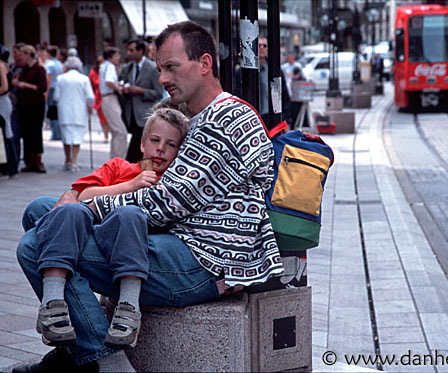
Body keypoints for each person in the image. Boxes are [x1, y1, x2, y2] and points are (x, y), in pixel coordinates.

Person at [15, 21, 283, 372]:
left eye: (171, 67)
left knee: (36, 243)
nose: (162, 79)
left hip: (201, 263)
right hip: (180, 244)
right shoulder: (203, 116)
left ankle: (103, 360)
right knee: (42, 211)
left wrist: (87, 202)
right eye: (159, 69)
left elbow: (162, 205)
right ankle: (75, 350)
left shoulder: (224, 119)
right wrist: (81, 201)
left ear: (204, 64)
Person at [31, 108, 188, 353]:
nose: (160, 149)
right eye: (155, 141)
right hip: (91, 229)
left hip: (126, 246)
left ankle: (128, 307)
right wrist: (131, 185)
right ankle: (52, 301)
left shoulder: (172, 180)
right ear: (143, 143)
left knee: (130, 213)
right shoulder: (118, 166)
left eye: (171, 145)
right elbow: (83, 195)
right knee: (68, 210)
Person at [119, 39, 163, 163]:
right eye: (128, 50)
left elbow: (158, 92)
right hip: (130, 114)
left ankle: (129, 169)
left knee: (135, 149)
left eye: (132, 50)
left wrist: (141, 91)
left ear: (141, 51)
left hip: (144, 114)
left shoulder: (152, 68)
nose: (129, 53)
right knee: (139, 149)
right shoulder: (127, 68)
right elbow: (121, 83)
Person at [54, 56, 95, 172]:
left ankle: (67, 159)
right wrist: (90, 106)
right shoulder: (84, 79)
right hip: (79, 110)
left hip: (64, 110)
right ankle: (74, 161)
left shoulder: (61, 78)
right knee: (77, 136)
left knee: (66, 136)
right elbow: (90, 96)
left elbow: (56, 96)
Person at [12, 45, 48, 173]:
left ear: (28, 55)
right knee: (26, 133)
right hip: (24, 105)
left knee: (36, 132)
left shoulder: (39, 69)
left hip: (35, 105)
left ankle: (38, 160)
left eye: (22, 54)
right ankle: (29, 160)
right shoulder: (23, 70)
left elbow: (43, 88)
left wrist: (26, 85)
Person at [99, 46, 128, 159]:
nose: (118, 58)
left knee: (116, 131)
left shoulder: (103, 66)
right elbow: (109, 81)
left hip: (107, 98)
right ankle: (119, 158)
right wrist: (119, 89)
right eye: (116, 55)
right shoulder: (110, 66)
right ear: (111, 57)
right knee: (120, 131)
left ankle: (114, 158)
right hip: (110, 98)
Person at [0, 44, 18, 178]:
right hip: (3, 101)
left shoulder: (1, 65)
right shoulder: (4, 65)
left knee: (6, 133)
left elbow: (4, 86)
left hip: (2, 102)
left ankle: (10, 165)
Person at [89, 55, 110, 143]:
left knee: (109, 117)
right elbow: (90, 86)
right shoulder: (93, 72)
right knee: (102, 118)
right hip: (98, 97)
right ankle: (106, 134)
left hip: (108, 96)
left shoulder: (108, 70)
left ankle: (109, 132)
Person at [45, 46, 63, 141]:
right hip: (58, 87)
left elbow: (49, 78)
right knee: (56, 111)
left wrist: (46, 92)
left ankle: (55, 133)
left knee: (51, 111)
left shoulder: (49, 64)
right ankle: (58, 133)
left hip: (51, 88)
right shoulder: (59, 63)